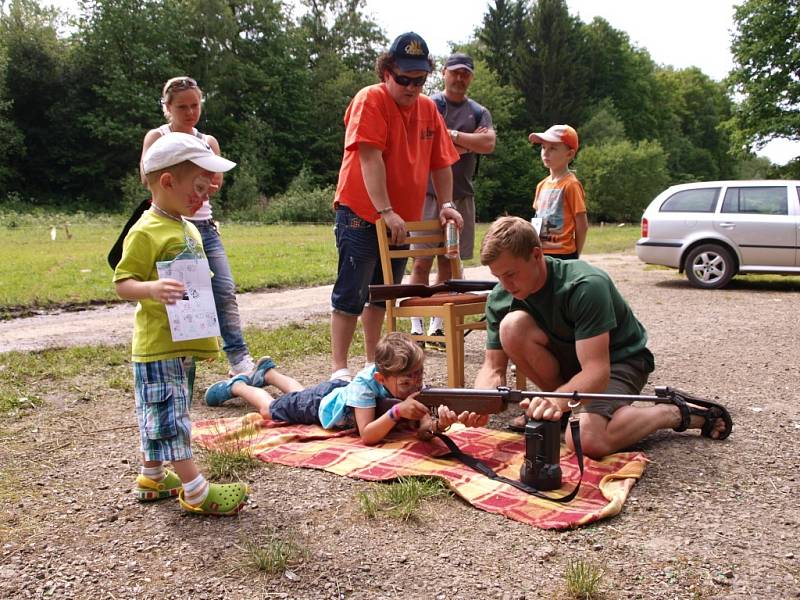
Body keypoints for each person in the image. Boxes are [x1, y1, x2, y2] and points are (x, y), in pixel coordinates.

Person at [473, 216, 731, 459]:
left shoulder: (585, 285)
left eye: (511, 274)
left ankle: (672, 411)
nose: (505, 285)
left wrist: (554, 400)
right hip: (574, 367)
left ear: (537, 255)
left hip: (619, 361)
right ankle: (570, 410)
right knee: (511, 327)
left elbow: (597, 371)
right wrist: (477, 403)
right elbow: (493, 368)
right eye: (497, 276)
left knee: (586, 440)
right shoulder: (501, 297)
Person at [115, 132, 249, 516]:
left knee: (161, 411)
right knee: (171, 416)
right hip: (157, 343)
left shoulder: (187, 226)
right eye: (199, 187)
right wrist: (152, 288)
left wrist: (203, 341)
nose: (205, 196)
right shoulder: (145, 230)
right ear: (168, 182)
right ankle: (195, 490)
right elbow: (122, 283)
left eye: (208, 189)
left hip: (179, 343)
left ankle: (152, 475)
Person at [329, 32, 462, 382]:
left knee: (381, 295)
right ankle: (339, 368)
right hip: (361, 213)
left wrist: (446, 204)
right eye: (404, 79)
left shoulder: (429, 109)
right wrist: (385, 210)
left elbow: (442, 163)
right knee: (351, 293)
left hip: (400, 220)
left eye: (419, 80)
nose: (412, 87)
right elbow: (370, 158)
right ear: (386, 72)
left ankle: (376, 364)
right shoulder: (369, 100)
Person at [140, 76, 255, 377]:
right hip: (173, 224)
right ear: (167, 108)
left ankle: (239, 358)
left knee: (224, 289)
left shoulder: (208, 141)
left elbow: (217, 179)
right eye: (182, 107)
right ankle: (183, 360)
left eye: (195, 105)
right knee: (186, 297)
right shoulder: (158, 137)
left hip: (204, 225)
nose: (190, 112)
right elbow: (147, 176)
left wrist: (206, 184)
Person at [204, 332, 486, 445]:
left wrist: (436, 426)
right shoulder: (366, 387)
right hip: (323, 405)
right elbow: (367, 436)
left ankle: (269, 373)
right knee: (270, 410)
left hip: (335, 392)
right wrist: (397, 411)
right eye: (406, 381)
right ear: (381, 379)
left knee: (298, 395)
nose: (415, 385)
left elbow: (423, 429)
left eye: (419, 376)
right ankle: (240, 385)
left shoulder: (408, 386)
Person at [408, 52, 496, 346]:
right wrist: (465, 142)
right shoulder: (431, 104)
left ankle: (439, 324)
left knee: (450, 260)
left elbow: (488, 143)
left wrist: (451, 135)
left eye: (466, 74)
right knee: (421, 260)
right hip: (428, 195)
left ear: (471, 77)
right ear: (443, 73)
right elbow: (426, 140)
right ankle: (416, 321)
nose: (460, 78)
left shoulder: (479, 111)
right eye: (455, 72)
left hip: (461, 196)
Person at [528, 124, 588, 261]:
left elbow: (582, 224)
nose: (546, 152)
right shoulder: (541, 185)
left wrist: (575, 254)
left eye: (553, 148)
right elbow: (537, 219)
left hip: (564, 254)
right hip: (541, 252)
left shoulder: (571, 184)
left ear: (570, 154)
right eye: (543, 147)